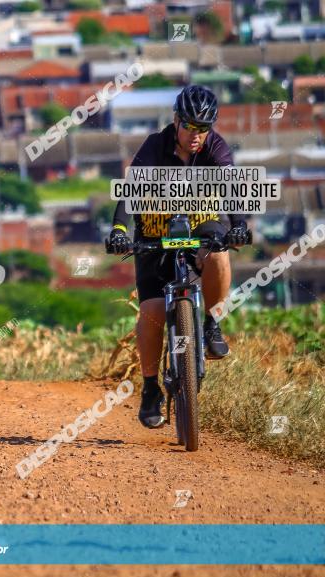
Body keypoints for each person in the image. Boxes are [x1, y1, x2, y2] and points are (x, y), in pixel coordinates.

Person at [107, 85, 250, 429]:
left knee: (219, 255)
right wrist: (119, 231)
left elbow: (231, 191)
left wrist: (240, 225)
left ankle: (212, 325)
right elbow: (130, 193)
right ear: (176, 121)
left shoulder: (216, 148)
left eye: (204, 128)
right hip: (155, 228)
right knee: (153, 309)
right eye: (190, 126)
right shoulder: (155, 146)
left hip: (201, 223)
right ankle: (151, 387)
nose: (196, 135)